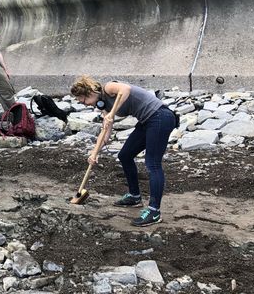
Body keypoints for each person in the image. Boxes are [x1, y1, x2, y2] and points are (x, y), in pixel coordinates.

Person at [70, 75, 177, 227]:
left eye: (83, 100)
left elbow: (125, 89)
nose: (84, 104)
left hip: (161, 117)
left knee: (153, 164)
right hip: (147, 121)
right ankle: (134, 196)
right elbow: (105, 133)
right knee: (125, 155)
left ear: (90, 93)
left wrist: (112, 114)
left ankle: (154, 211)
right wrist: (94, 153)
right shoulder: (105, 107)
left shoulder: (108, 88)